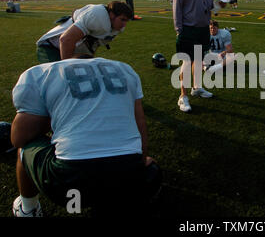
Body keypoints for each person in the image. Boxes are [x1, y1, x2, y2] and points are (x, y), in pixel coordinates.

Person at [10, 54, 161, 217]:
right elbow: (140, 124)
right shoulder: (126, 69)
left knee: (25, 148)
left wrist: (53, 118)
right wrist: (141, 161)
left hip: (69, 183)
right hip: (129, 176)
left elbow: (19, 138)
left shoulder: (41, 73)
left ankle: (28, 209)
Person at [173, 0, 225, 113]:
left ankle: (196, 88)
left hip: (203, 28)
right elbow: (177, 7)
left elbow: (209, 6)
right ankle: (183, 96)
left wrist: (219, 6)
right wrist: (179, 30)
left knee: (198, 60)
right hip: (188, 29)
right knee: (187, 62)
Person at [35, 1, 133, 63]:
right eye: (122, 19)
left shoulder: (113, 26)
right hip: (51, 47)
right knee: (60, 81)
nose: (124, 24)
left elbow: (92, 46)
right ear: (112, 15)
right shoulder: (97, 16)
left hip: (73, 50)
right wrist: (67, 67)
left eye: (126, 21)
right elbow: (66, 39)